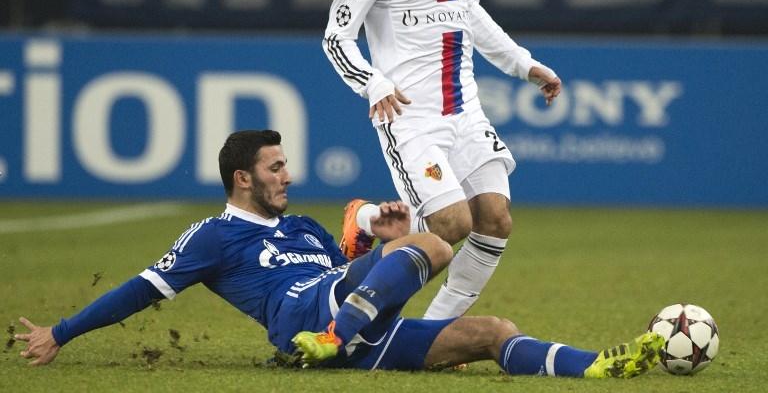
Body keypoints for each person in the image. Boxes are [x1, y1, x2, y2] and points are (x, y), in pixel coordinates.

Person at [15, 129, 662, 377]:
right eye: (274, 167)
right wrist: (61, 333)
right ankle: (333, 334)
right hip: (301, 321)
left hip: (354, 326)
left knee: (493, 332)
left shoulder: (302, 231)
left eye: (285, 164)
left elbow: (348, 258)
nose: (286, 175)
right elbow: (140, 287)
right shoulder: (213, 236)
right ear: (243, 178)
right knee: (431, 240)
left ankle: (599, 367)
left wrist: (378, 233)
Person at [323, 0, 562, 319]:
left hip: (466, 110)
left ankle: (436, 331)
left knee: (495, 218)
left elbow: (466, 11)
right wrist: (374, 83)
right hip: (410, 118)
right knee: (450, 225)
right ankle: (364, 226)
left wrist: (523, 64)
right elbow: (336, 39)